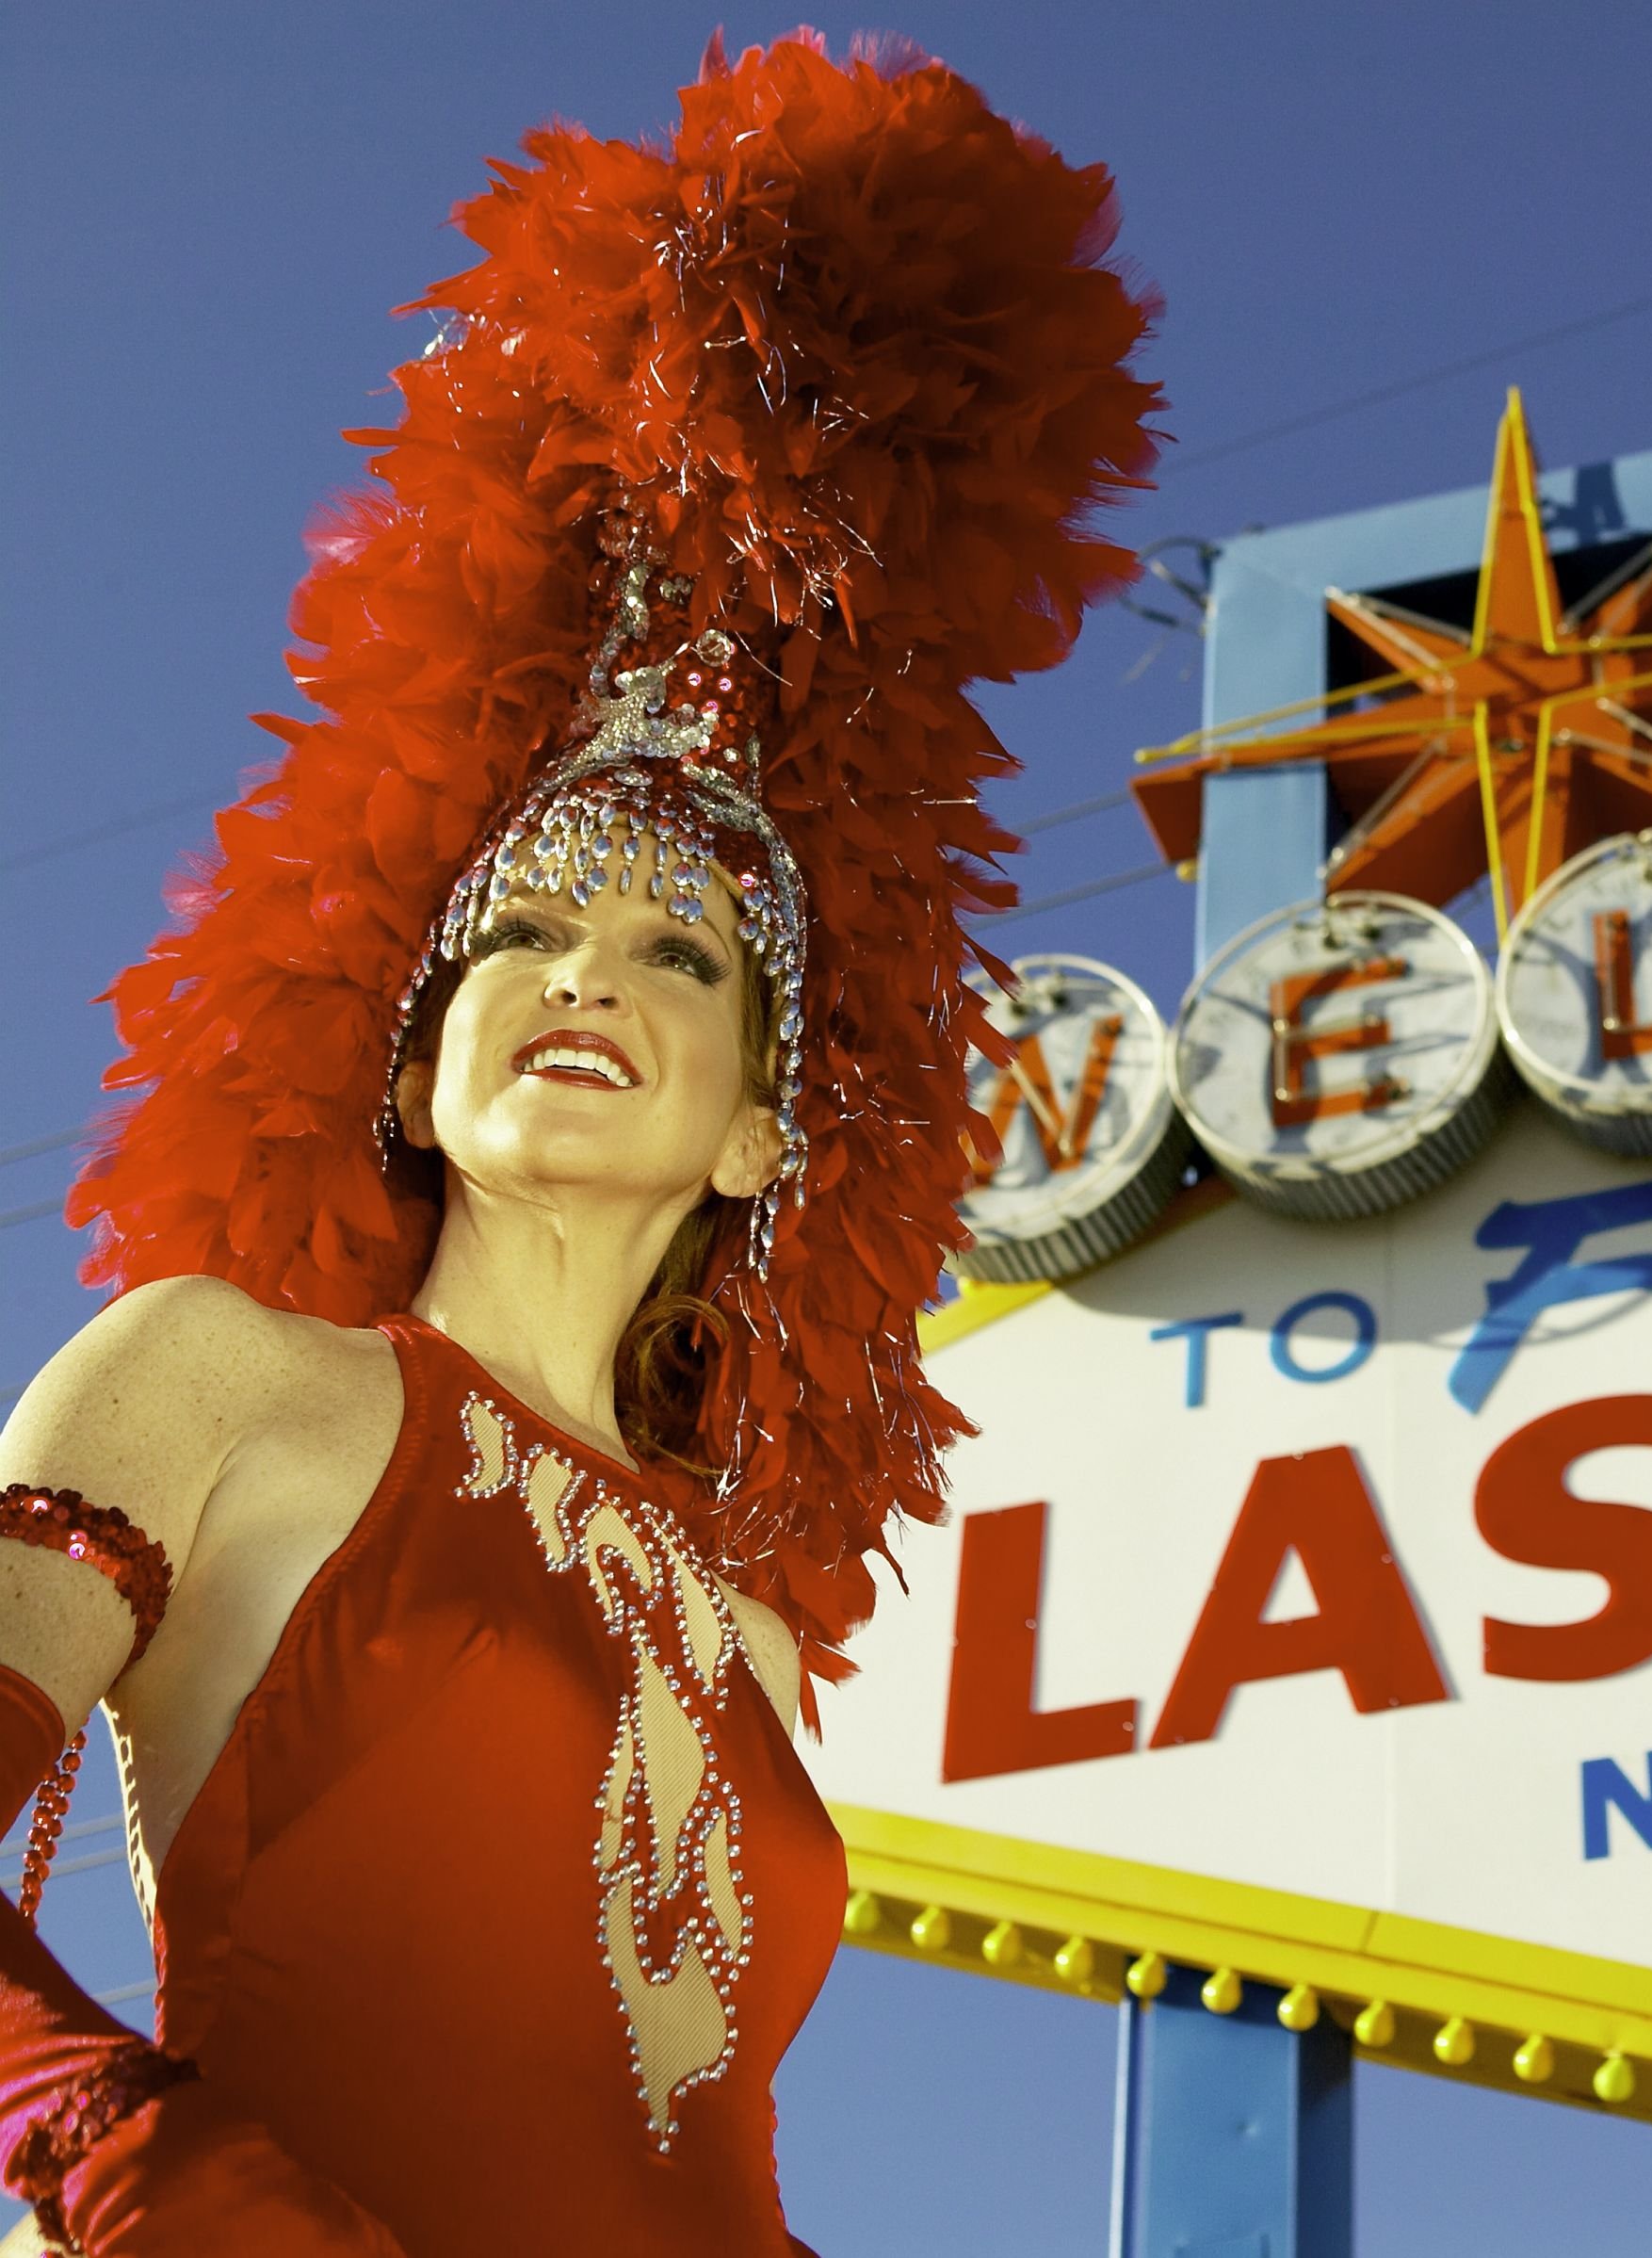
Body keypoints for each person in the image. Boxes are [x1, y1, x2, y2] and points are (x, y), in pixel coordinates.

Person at [0, 33, 1160, 2253]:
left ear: (759, 1139)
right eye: (514, 934)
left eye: (679, 956)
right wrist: (134, 2158)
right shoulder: (221, 1372)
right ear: (416, 1056)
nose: (583, 976)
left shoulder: (755, 1621)